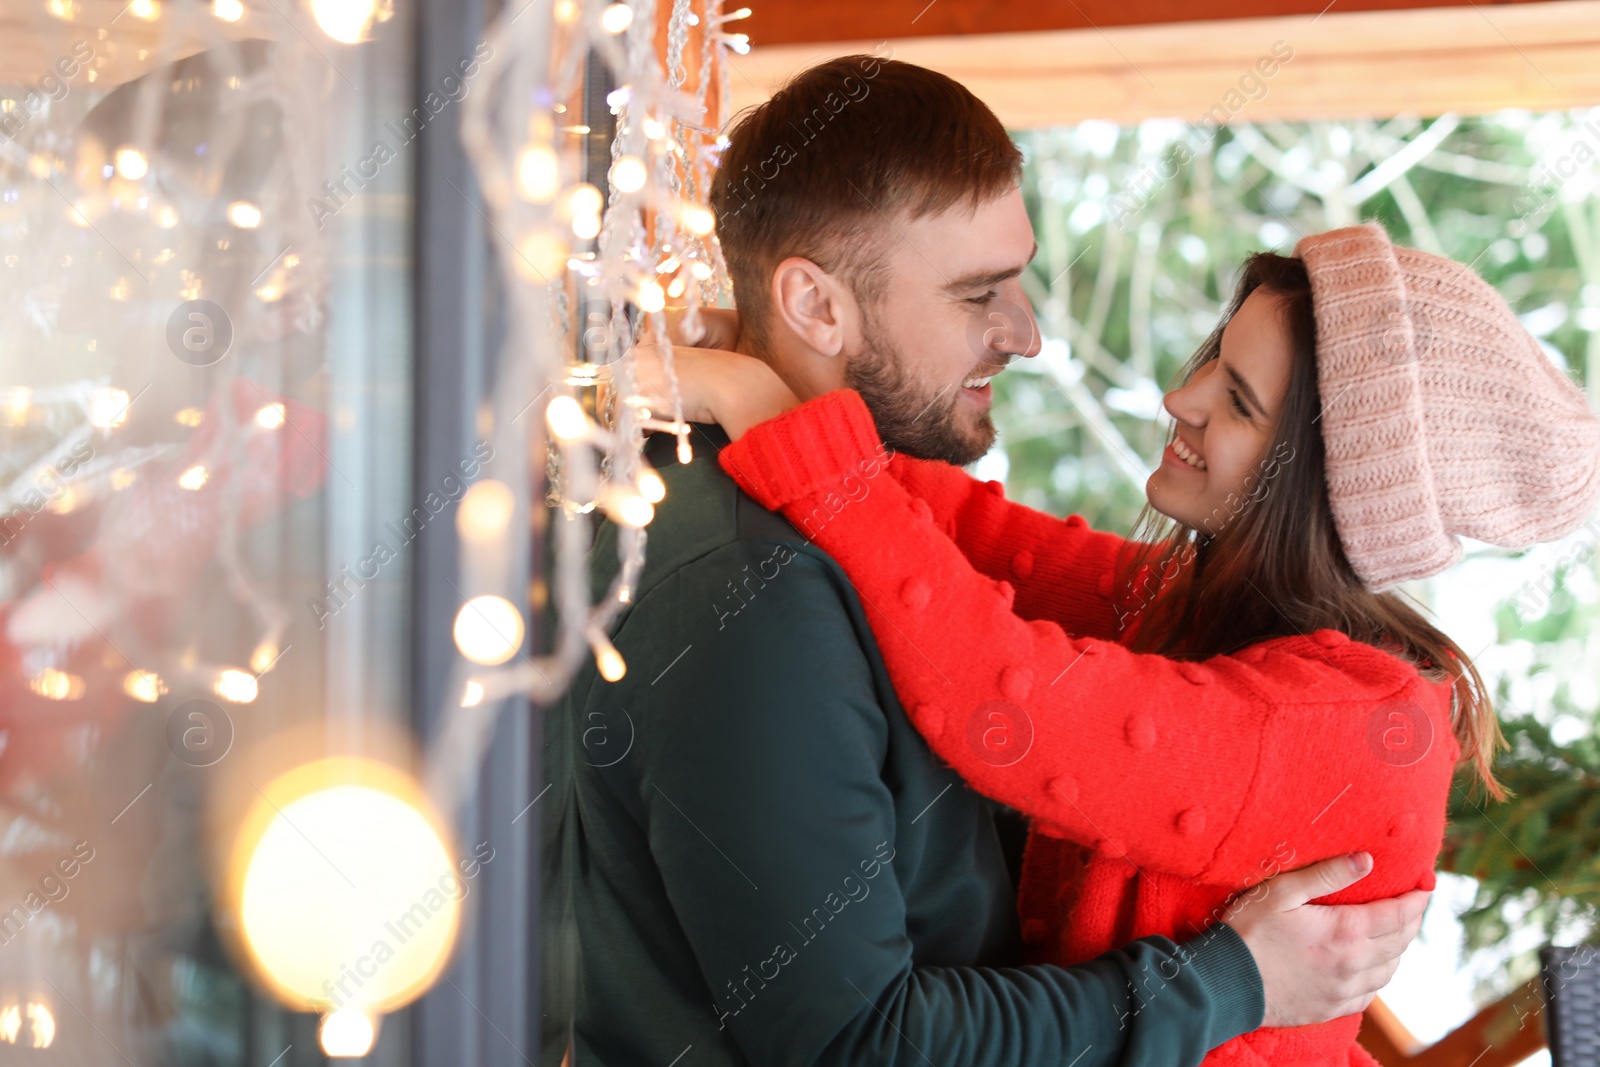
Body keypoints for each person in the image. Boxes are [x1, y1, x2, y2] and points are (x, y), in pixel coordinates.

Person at [545, 56, 1431, 1067]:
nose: (1030, 334)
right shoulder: (757, 587)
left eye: (1237, 400)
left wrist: (764, 401)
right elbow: (863, 1048)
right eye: (981, 293)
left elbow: (1000, 633)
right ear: (818, 307)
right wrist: (1232, 980)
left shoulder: (1296, 682)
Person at [654, 222, 1600, 1067]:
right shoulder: (1220, 608)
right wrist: (766, 376)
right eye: (1211, 363)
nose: (1177, 398)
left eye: (1235, 401)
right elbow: (981, 538)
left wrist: (770, 415)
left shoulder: (1339, 722)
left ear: (1323, 485)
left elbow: (1006, 701)